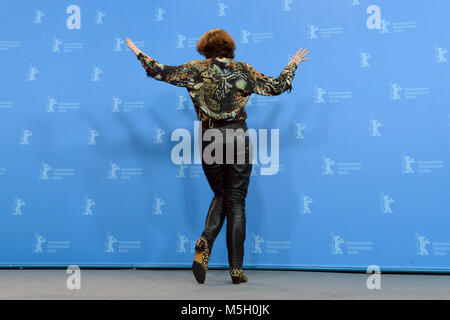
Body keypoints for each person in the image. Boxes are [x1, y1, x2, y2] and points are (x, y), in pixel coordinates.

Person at [126, 28, 310, 285]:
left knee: (221, 195)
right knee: (236, 202)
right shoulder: (244, 70)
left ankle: (205, 241)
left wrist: (137, 52)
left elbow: (160, 71)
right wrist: (292, 65)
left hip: (209, 137)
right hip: (237, 136)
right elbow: (277, 86)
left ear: (204, 48)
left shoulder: (195, 69)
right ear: (229, 47)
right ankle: (236, 270)